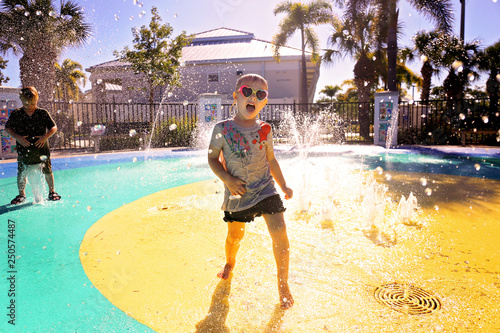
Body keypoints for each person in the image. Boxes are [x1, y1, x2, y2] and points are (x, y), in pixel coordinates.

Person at [207, 74, 294, 309]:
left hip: (266, 189)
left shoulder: (265, 129)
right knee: (235, 236)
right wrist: (227, 179)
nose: (253, 97)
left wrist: (283, 185)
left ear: (264, 102)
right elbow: (212, 158)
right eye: (247, 91)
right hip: (238, 193)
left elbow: (271, 160)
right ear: (236, 96)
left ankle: (283, 284)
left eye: (260, 94)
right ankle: (230, 262)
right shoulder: (221, 129)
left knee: (280, 234)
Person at [5, 86, 61, 204]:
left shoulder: (42, 113)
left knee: (47, 170)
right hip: (24, 148)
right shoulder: (17, 114)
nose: (30, 106)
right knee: (21, 171)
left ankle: (52, 191)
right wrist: (18, 137)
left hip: (41, 148)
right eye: (26, 104)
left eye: (33, 103)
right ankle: (21, 194)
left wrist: (45, 137)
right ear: (21, 99)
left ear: (37, 99)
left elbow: (54, 127)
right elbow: (8, 128)